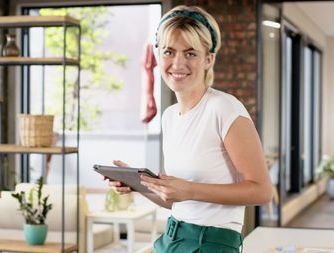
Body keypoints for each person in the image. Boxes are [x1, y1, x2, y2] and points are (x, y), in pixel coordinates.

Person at [106, 5, 272, 252]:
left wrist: (189, 189)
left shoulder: (224, 108)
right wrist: (139, 186)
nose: (178, 63)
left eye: (191, 53)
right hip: (173, 236)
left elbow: (262, 191)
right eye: (169, 52)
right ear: (158, 56)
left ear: (209, 59)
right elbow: (178, 201)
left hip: (211, 244)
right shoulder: (170, 117)